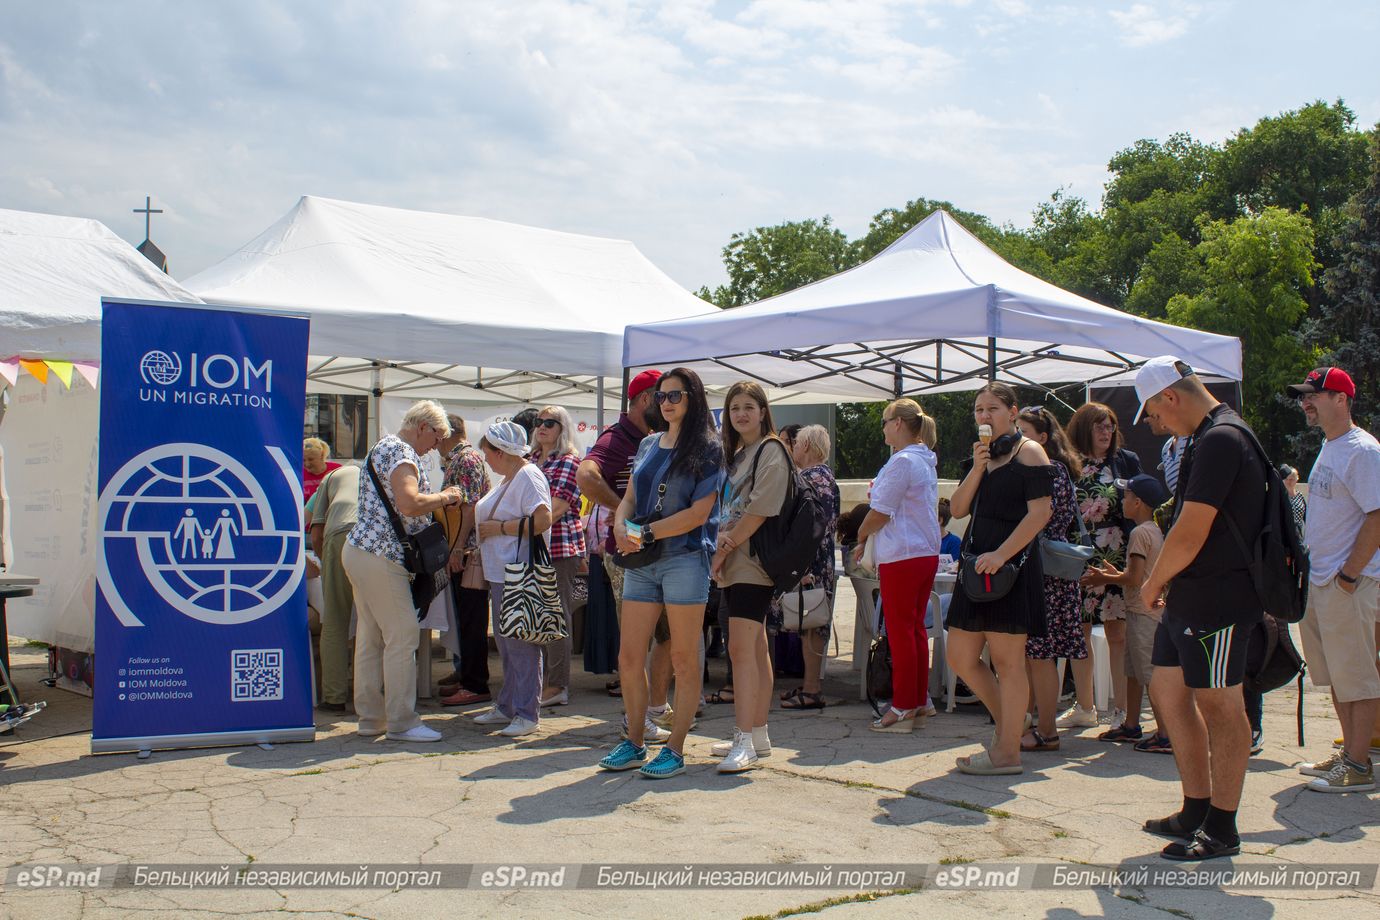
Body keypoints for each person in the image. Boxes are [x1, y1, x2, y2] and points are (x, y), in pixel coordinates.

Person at [1134, 356, 1265, 860]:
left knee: (1220, 705)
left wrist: (1153, 580)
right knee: (1168, 691)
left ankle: (1223, 827)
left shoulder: (1221, 439)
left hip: (1219, 597)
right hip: (1192, 594)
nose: (1157, 425)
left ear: (1171, 396)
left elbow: (1192, 529)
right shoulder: (1206, 436)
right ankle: (1196, 807)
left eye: (1154, 414)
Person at [599, 369, 723, 778]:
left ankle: (675, 748)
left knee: (685, 661)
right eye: (660, 395)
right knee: (629, 657)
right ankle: (634, 742)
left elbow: (699, 514)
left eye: (675, 395)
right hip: (642, 562)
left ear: (693, 398)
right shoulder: (650, 443)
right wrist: (620, 525)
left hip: (684, 559)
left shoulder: (708, 447)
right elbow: (631, 496)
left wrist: (645, 532)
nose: (665, 402)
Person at [946, 383, 1054, 775]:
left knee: (1009, 663)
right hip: (977, 566)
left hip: (1012, 564)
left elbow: (1040, 513)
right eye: (978, 410)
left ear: (1012, 411)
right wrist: (976, 468)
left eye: (992, 408)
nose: (984, 416)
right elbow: (957, 508)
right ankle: (1012, 723)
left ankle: (1007, 752)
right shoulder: (980, 457)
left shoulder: (1031, 452)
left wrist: (1001, 554)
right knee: (960, 655)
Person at [342, 401, 464, 743]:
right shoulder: (402, 453)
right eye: (438, 436)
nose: (437, 444)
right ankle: (402, 721)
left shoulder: (382, 447)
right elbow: (409, 503)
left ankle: (371, 718)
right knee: (403, 636)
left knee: (371, 637)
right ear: (423, 426)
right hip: (382, 554)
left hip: (360, 549)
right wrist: (446, 496)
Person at [1288, 367, 1380, 793]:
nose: (1306, 402)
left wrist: (1348, 575)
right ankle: (1350, 755)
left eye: (1315, 395)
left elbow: (1378, 516)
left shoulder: (1362, 450)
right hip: (1326, 582)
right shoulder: (1333, 445)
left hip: (1347, 584)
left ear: (1341, 399)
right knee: (1340, 677)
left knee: (1357, 677)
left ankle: (1359, 766)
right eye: (1305, 396)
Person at [576, 370, 676, 740]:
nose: (670, 404)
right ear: (648, 399)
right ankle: (636, 719)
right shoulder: (619, 437)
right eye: (665, 396)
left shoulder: (656, 438)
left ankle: (653, 710)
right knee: (639, 641)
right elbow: (586, 476)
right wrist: (624, 514)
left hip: (658, 550)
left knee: (666, 635)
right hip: (629, 554)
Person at [711, 381, 790, 773]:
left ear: (762, 411)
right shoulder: (741, 452)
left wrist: (722, 549)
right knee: (755, 648)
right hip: (737, 562)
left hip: (751, 564)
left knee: (741, 651)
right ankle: (757, 734)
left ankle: (742, 740)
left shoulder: (771, 449)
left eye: (748, 407)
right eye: (734, 408)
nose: (740, 414)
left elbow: (761, 510)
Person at [850, 400, 942, 731]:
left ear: (900, 424)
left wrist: (860, 535)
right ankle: (918, 699)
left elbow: (879, 511)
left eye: (886, 422)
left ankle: (904, 704)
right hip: (922, 552)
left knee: (902, 631)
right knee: (914, 629)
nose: (884, 428)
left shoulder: (902, 461)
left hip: (903, 555)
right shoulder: (922, 460)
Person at [1062, 401, 1142, 730]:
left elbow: (1138, 506)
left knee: (1117, 632)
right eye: (1099, 426)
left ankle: (1122, 710)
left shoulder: (1125, 461)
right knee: (1078, 632)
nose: (1106, 432)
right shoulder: (1068, 464)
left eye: (1110, 426)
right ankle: (1085, 706)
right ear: (1084, 429)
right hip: (1078, 555)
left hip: (1115, 555)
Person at [473, 421, 554, 739]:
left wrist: (500, 529)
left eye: (487, 454)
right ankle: (509, 706)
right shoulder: (514, 477)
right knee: (509, 646)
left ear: (499, 452)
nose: (486, 460)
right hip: (504, 573)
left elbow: (543, 518)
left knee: (521, 647)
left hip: (518, 571)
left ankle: (526, 712)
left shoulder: (527, 476)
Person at [1016, 406, 1087, 753]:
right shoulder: (1052, 470)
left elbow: (1037, 519)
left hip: (1044, 572)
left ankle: (1046, 730)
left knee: (1041, 655)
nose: (1017, 438)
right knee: (1034, 655)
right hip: (1042, 571)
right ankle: (1034, 724)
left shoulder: (1049, 471)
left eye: (1024, 432)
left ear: (1043, 439)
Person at [1082, 474, 1170, 747]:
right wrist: (1115, 573)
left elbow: (1134, 578)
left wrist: (1104, 578)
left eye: (1128, 496)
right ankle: (1131, 724)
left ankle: (1167, 733)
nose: (1123, 500)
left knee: (1149, 675)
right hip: (1140, 610)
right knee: (1133, 672)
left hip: (1144, 613)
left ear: (1139, 502)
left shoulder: (1139, 533)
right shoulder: (1153, 530)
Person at [779, 425, 840, 711]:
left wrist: (800, 565)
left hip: (810, 562)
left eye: (796, 444)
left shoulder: (810, 478)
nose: (793, 449)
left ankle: (813, 688)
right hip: (818, 559)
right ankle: (809, 684)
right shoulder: (825, 477)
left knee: (811, 623)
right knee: (810, 623)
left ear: (805, 447)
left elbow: (809, 526)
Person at [529, 405, 586, 708]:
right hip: (529, 544)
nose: (542, 427)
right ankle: (539, 681)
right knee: (535, 615)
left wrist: (513, 525)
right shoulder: (528, 459)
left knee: (555, 613)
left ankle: (557, 684)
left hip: (559, 547)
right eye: (539, 421)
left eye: (550, 423)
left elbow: (556, 509)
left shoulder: (568, 461)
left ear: (562, 429)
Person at [437, 415, 493, 707]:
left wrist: (457, 548)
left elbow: (469, 509)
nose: (434, 445)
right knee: (463, 618)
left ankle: (474, 682)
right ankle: (465, 674)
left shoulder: (466, 459)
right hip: (463, 549)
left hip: (468, 553)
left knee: (472, 620)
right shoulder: (458, 459)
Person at [306, 462, 360, 713]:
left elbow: (315, 533)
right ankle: (369, 695)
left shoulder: (332, 478)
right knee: (372, 623)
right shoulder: (383, 472)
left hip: (340, 534)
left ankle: (334, 696)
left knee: (336, 620)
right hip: (376, 541)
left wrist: (326, 561)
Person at [303, 437, 341, 504]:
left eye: (311, 459)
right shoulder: (299, 474)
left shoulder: (338, 470)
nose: (307, 464)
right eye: (303, 460)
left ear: (321, 456)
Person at [1278, 464, 1307, 540]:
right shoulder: (1280, 497)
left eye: (1291, 479)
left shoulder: (1300, 496)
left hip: (1298, 535)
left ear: (1297, 479)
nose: (1288, 482)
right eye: (1286, 479)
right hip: (1284, 535)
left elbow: (1306, 517)